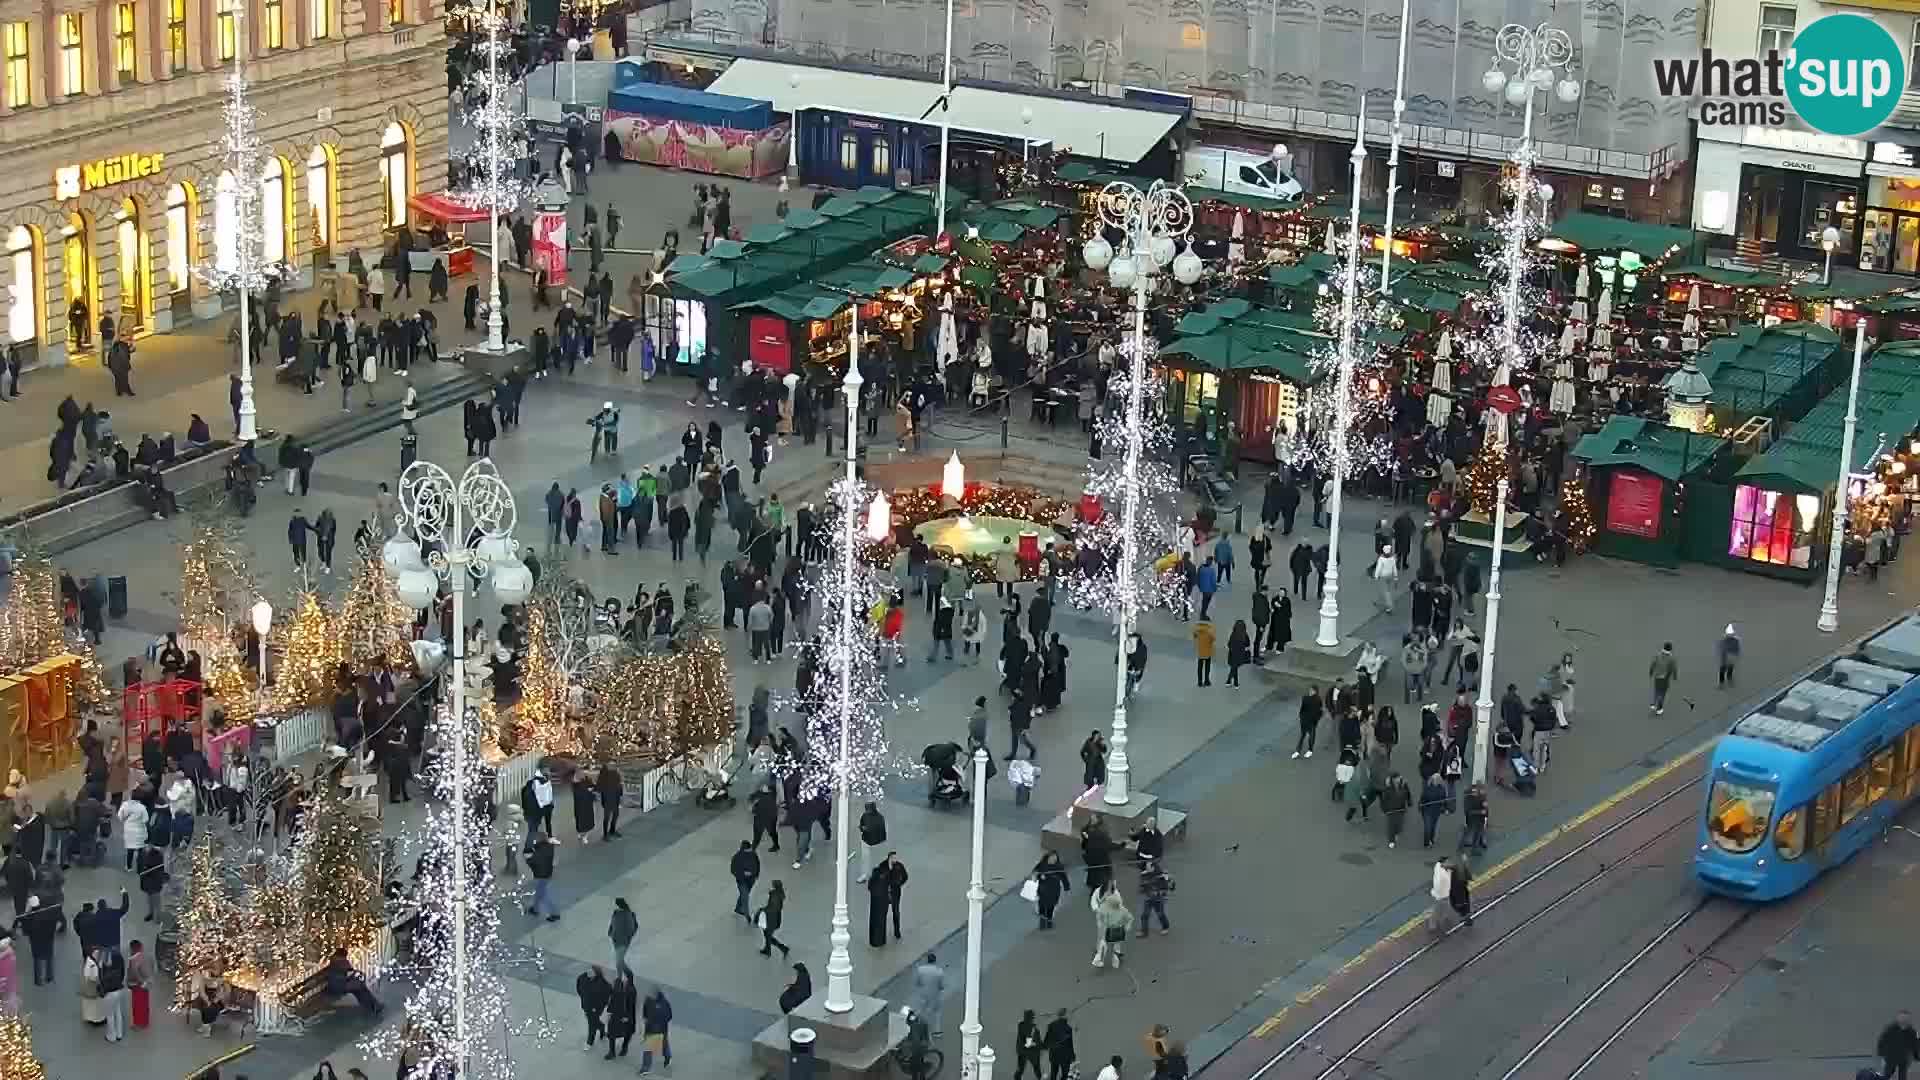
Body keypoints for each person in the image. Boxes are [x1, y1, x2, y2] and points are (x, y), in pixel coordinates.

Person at [325, 947, 385, 1016]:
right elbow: (350, 972)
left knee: (359, 988)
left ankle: (371, 1006)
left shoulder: (333, 960)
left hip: (336, 985)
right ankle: (373, 1005)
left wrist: (353, 976)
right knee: (360, 988)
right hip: (339, 987)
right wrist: (358, 974)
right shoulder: (341, 961)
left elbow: (345, 975)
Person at [1091, 882, 1134, 969]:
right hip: (1109, 923)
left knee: (1110, 940)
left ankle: (1106, 956)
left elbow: (1119, 904)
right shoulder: (1098, 892)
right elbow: (1094, 903)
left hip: (1111, 923)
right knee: (1106, 939)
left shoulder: (1114, 894)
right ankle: (1104, 956)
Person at [909, 952, 947, 1035]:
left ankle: (915, 1025)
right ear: (935, 961)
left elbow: (917, 982)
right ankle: (937, 1031)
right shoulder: (939, 971)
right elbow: (942, 986)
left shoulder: (920, 969)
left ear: (927, 960)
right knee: (936, 1012)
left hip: (923, 994)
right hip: (935, 995)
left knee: (920, 1010)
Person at [576, 964, 612, 1049]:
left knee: (591, 1024)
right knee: (593, 1022)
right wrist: (583, 998)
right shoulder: (582, 978)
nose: (588, 972)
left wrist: (598, 1007)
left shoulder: (603, 984)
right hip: (586, 1005)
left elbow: (606, 997)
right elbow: (579, 989)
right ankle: (601, 1027)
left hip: (595, 1009)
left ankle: (590, 1041)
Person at [1031, 850, 1069, 929]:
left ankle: (1049, 921)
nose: (1053, 860)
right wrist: (1039, 876)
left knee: (1050, 906)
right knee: (1042, 906)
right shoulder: (1042, 865)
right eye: (1052, 858)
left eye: (1055, 858)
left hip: (1054, 890)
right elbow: (1034, 873)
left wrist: (1066, 887)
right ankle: (1042, 922)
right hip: (1043, 889)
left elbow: (1064, 877)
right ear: (1048, 857)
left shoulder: (1059, 866)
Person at [640, 986, 674, 1074]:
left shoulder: (648, 1002)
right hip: (662, 1028)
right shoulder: (666, 1003)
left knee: (649, 1049)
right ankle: (668, 1057)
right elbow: (669, 1016)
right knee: (664, 1042)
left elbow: (645, 1015)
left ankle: (646, 1068)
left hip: (652, 1029)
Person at [604, 971, 637, 1059]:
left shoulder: (620, 994)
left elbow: (611, 1007)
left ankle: (613, 1052)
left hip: (620, 1017)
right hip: (627, 1017)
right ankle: (623, 1049)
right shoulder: (631, 990)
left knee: (612, 1034)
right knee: (627, 1033)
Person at [1879, 1010, 1919, 1080]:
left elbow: (1915, 1045)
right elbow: (1882, 1041)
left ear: (1908, 1019)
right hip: (1891, 1057)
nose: (1903, 1020)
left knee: (1902, 1076)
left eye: (1906, 1018)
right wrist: (1882, 1054)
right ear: (1898, 1018)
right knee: (1887, 1075)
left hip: (1903, 1057)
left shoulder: (1911, 1031)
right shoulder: (1891, 1029)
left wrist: (1917, 1056)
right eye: (1902, 1017)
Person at [526, 835, 559, 922]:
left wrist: (528, 858)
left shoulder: (538, 854)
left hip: (540, 876)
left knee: (543, 895)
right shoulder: (549, 848)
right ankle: (535, 909)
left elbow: (531, 862)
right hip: (547, 874)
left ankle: (554, 913)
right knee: (539, 892)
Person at [1137, 858, 1174, 936]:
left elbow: (1171, 887)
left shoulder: (1162, 876)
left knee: (1160, 914)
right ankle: (1144, 931)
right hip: (1149, 898)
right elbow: (1142, 886)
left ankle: (1165, 927)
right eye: (1146, 866)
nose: (1146, 868)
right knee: (1145, 915)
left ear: (1153, 867)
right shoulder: (1144, 874)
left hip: (1158, 899)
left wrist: (1168, 880)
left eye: (1148, 867)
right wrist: (1143, 888)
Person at [756, 879, 790, 957]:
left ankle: (780, 948)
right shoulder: (779, 894)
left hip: (771, 918)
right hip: (775, 918)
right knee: (768, 936)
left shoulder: (775, 895)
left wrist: (763, 909)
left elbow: (772, 907)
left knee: (768, 935)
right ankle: (770, 949)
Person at [608, 897, 638, 976]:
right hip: (616, 940)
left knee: (618, 962)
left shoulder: (628, 914)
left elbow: (632, 928)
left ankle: (619, 979)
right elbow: (612, 922)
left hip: (624, 941)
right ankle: (629, 973)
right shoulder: (616, 913)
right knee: (620, 960)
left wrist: (628, 937)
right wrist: (610, 932)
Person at [1045, 1009, 1077, 1080]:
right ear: (1065, 1015)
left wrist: (1049, 1047)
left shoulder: (1051, 1025)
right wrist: (1072, 1056)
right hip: (1065, 1056)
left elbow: (1047, 1040)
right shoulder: (1068, 1028)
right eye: (1067, 1014)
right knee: (1065, 1074)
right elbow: (1070, 1044)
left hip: (1054, 1054)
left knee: (1053, 1074)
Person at [1016, 1009, 1046, 1080]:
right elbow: (1036, 1041)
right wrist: (1042, 1046)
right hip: (1032, 1052)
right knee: (1036, 1070)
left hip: (1023, 1051)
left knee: (1020, 1069)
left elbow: (1023, 1040)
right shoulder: (1033, 1028)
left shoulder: (1022, 1026)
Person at [1649, 641, 1678, 715]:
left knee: (1657, 690)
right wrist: (1675, 676)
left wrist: (1651, 672)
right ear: (1670, 649)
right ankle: (1659, 708)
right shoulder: (1671, 658)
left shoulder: (1658, 655)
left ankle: (1653, 703)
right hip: (1665, 678)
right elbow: (1673, 668)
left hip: (1657, 676)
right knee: (1662, 693)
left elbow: (1653, 664)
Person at [1226, 619, 1252, 688]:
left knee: (1234, 667)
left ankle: (1231, 682)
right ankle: (1234, 683)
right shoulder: (1245, 636)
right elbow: (1247, 646)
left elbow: (1229, 644)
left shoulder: (1233, 634)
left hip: (1233, 654)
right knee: (1235, 668)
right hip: (1240, 655)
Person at [1192, 617, 1215, 687]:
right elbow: (1213, 639)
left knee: (1200, 667)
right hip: (1208, 651)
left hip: (1200, 651)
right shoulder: (1210, 629)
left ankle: (1199, 682)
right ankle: (1207, 680)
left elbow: (1194, 636)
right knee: (1207, 667)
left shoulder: (1197, 628)